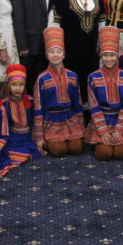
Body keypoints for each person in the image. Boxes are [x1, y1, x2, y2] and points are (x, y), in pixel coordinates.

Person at [48, 0, 104, 96]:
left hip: (91, 47)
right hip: (70, 47)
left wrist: (101, 43)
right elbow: (55, 22)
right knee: (71, 80)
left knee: (91, 78)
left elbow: (102, 19)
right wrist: (56, 47)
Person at [32, 27, 85, 158]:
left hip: (70, 118)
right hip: (51, 120)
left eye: (59, 51)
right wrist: (39, 137)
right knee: (59, 151)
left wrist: (82, 127)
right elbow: (38, 108)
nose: (55, 55)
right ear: (47, 55)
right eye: (52, 52)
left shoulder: (72, 76)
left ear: (64, 54)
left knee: (76, 149)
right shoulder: (42, 79)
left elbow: (77, 104)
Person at [86, 27, 123, 161]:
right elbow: (93, 105)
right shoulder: (93, 77)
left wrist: (119, 128)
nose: (109, 59)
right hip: (101, 120)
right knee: (104, 154)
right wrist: (103, 130)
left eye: (112, 55)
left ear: (117, 56)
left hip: (120, 119)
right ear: (101, 56)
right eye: (105, 55)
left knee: (120, 154)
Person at [12, 0, 55, 91]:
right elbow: (18, 17)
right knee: (30, 84)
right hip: (29, 45)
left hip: (46, 43)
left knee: (45, 82)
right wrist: (22, 45)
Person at [2, 64, 41, 167]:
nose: (18, 88)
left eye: (21, 85)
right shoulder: (4, 104)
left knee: (31, 150)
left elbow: (34, 121)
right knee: (7, 152)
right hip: (13, 137)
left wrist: (36, 138)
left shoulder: (31, 101)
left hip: (28, 137)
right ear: (9, 85)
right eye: (14, 85)